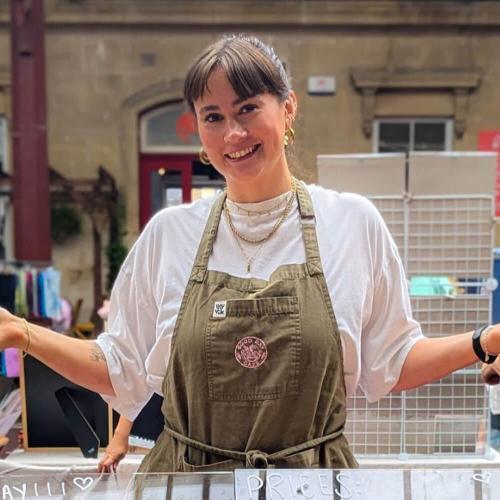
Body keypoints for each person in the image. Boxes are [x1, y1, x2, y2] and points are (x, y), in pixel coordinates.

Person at [1, 33, 500, 472]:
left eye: (247, 109)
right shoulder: (169, 236)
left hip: (312, 484)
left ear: (288, 109)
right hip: (190, 484)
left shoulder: (350, 222)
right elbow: (119, 367)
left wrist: (484, 340)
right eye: (212, 117)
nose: (232, 134)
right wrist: (23, 333)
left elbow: (393, 361)